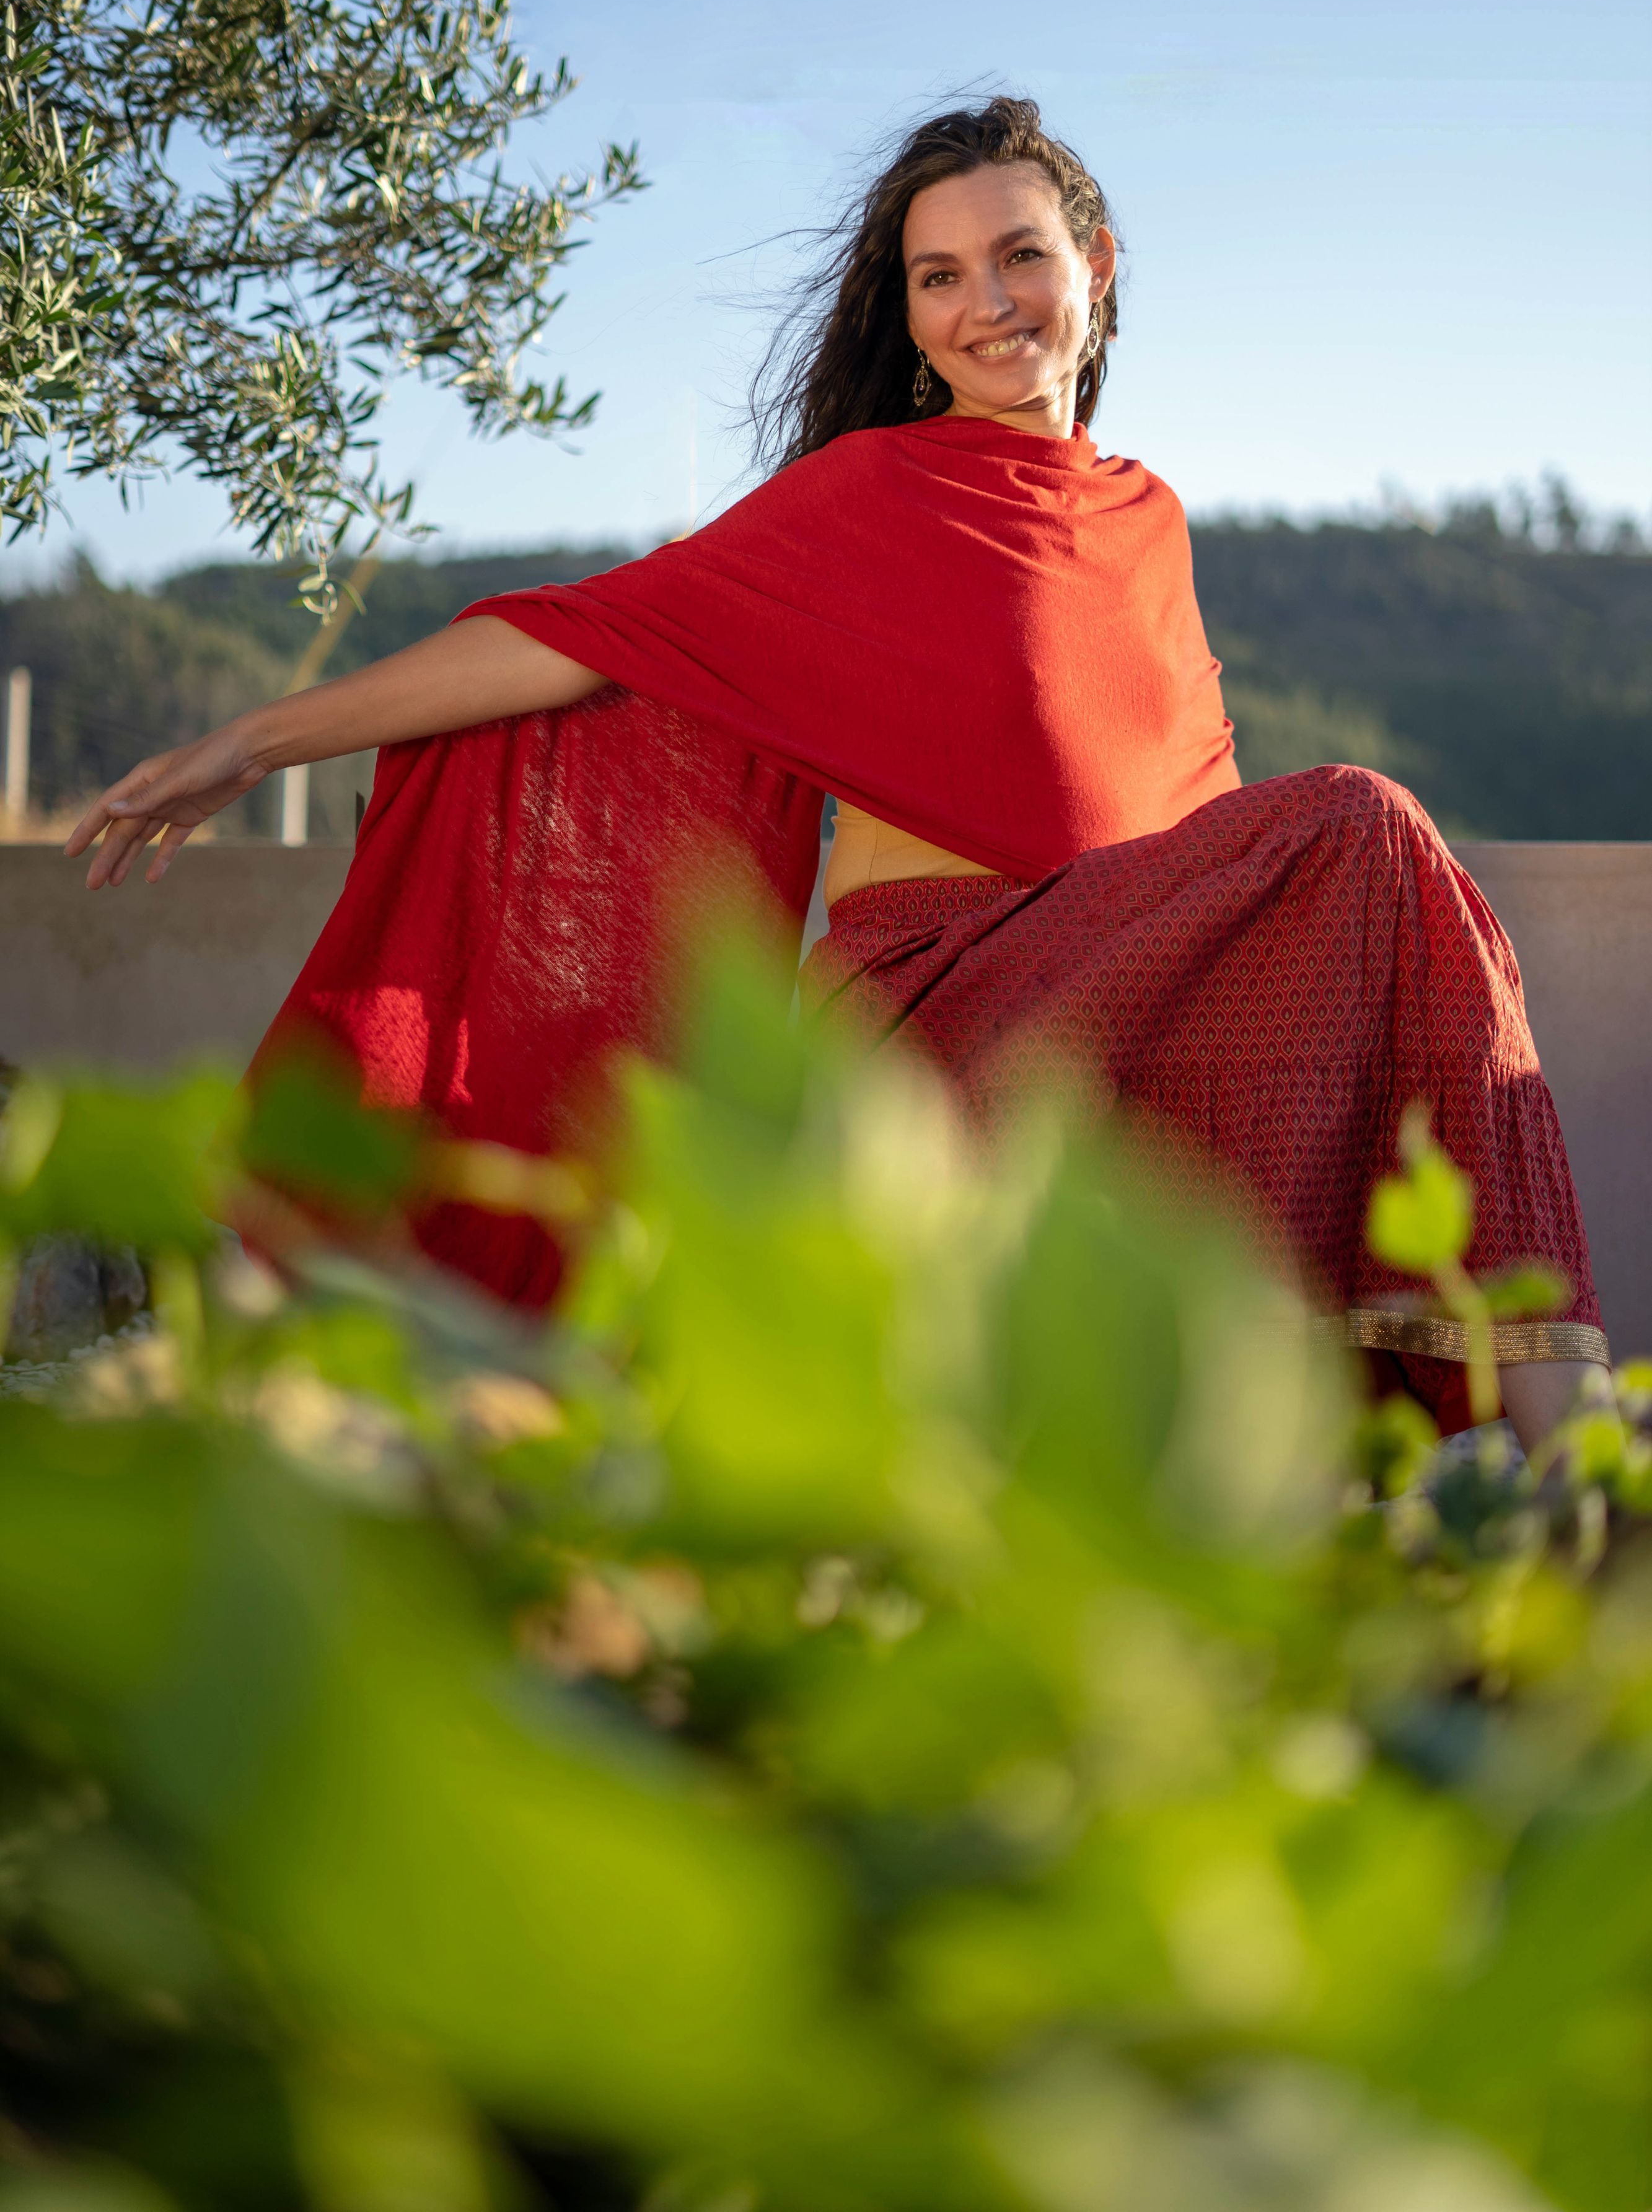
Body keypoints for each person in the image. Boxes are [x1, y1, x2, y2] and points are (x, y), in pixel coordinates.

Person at [67, 98, 1607, 1451]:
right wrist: (255, 736)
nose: (983, 305)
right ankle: (1573, 1459)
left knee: (1374, 891)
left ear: (1098, 265)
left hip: (1123, 980)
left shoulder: (1151, 519)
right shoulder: (868, 491)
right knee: (1372, 821)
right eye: (938, 278)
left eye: (1017, 257)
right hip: (926, 1013)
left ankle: (1415, 1444)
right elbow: (573, 638)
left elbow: (1189, 812)